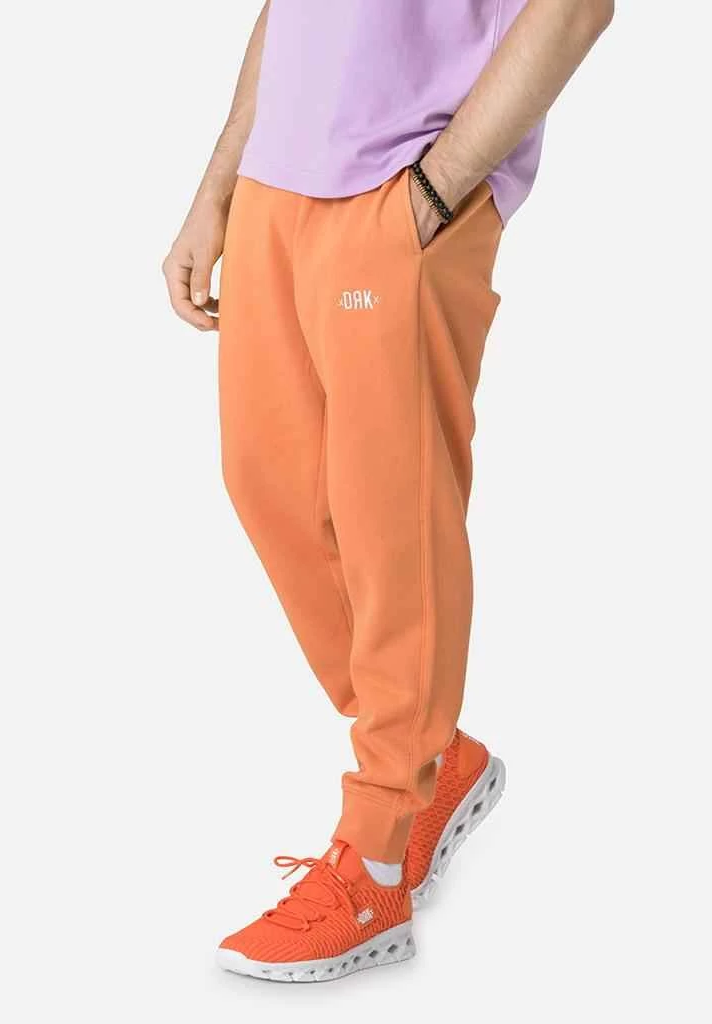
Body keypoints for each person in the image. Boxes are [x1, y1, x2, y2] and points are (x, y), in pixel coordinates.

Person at [163, 0, 613, 983]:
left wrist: (436, 192)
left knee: (390, 517)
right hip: (278, 187)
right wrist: (220, 186)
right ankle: (429, 758)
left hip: (403, 189)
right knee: (271, 490)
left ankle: (374, 862)